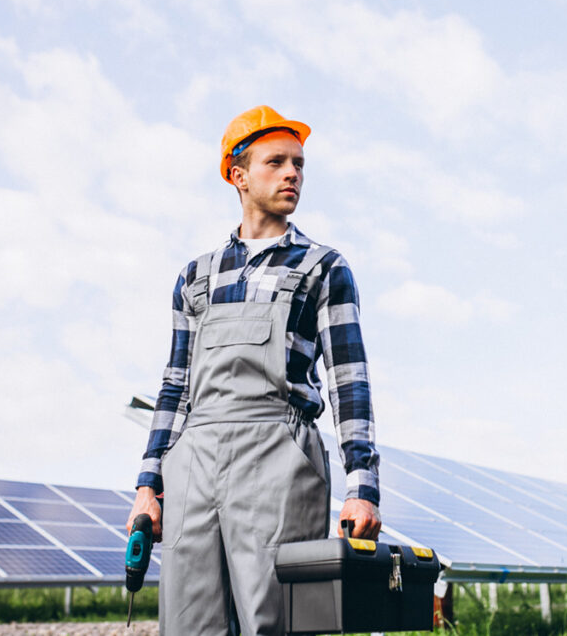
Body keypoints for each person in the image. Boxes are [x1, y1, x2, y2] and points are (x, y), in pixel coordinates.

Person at [126, 105, 381, 635]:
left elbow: (349, 380)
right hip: (193, 461)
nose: (293, 174)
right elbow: (176, 386)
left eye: (299, 164)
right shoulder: (195, 276)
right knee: (189, 623)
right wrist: (148, 485)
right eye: (277, 162)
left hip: (279, 456)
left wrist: (362, 485)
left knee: (278, 621)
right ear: (238, 176)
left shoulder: (322, 267)